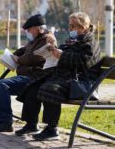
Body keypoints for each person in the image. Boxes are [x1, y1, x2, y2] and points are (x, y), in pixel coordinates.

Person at [15, 12, 103, 140]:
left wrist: (61, 55)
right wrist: (52, 48)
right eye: (69, 25)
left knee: (50, 89)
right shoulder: (72, 41)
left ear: (82, 28)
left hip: (79, 82)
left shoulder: (90, 42)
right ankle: (31, 124)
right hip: (64, 78)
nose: (69, 29)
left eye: (72, 26)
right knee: (33, 87)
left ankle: (52, 129)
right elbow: (60, 54)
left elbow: (84, 61)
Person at [0, 14, 57, 132]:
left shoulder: (46, 39)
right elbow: (23, 50)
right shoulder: (34, 39)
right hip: (27, 75)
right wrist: (13, 55)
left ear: (38, 29)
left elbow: (33, 57)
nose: (27, 32)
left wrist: (18, 60)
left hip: (35, 77)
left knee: (2, 85)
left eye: (29, 30)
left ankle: (5, 122)